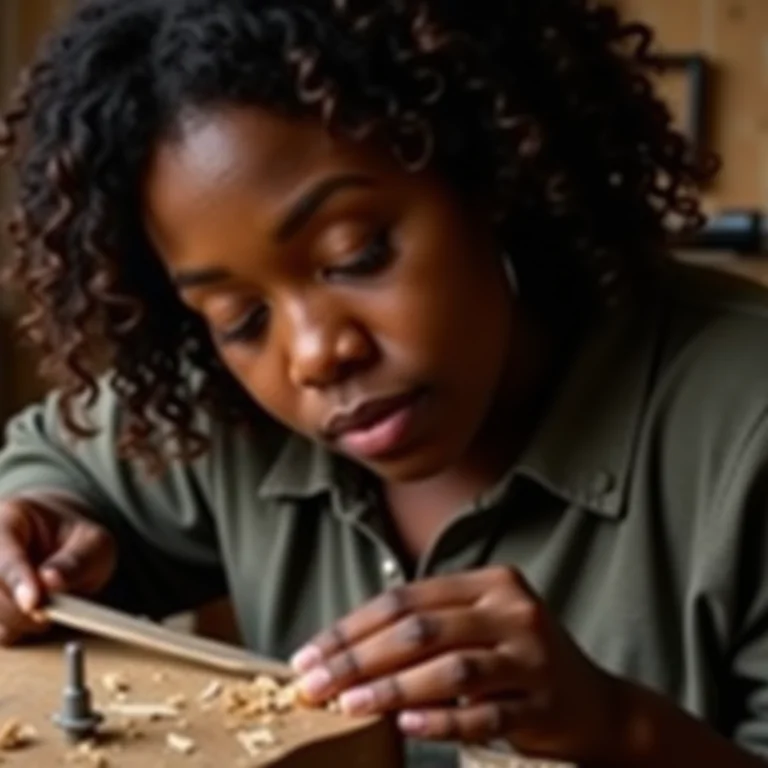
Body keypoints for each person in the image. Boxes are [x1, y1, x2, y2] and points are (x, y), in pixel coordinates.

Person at [0, 0, 767, 765]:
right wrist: (41, 522)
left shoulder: (744, 423)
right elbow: (53, 458)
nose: (314, 354)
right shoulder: (227, 405)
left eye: (358, 255)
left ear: (488, 172)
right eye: (239, 317)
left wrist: (617, 728)